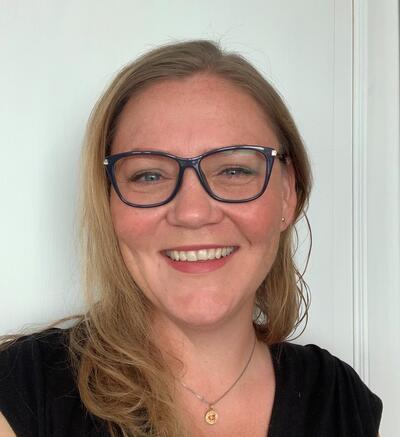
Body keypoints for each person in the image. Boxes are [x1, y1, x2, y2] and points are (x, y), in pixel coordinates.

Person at [0, 40, 382, 437]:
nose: (193, 213)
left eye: (233, 171)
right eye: (149, 175)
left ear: (287, 193)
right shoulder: (25, 391)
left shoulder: (340, 399)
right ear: (108, 203)